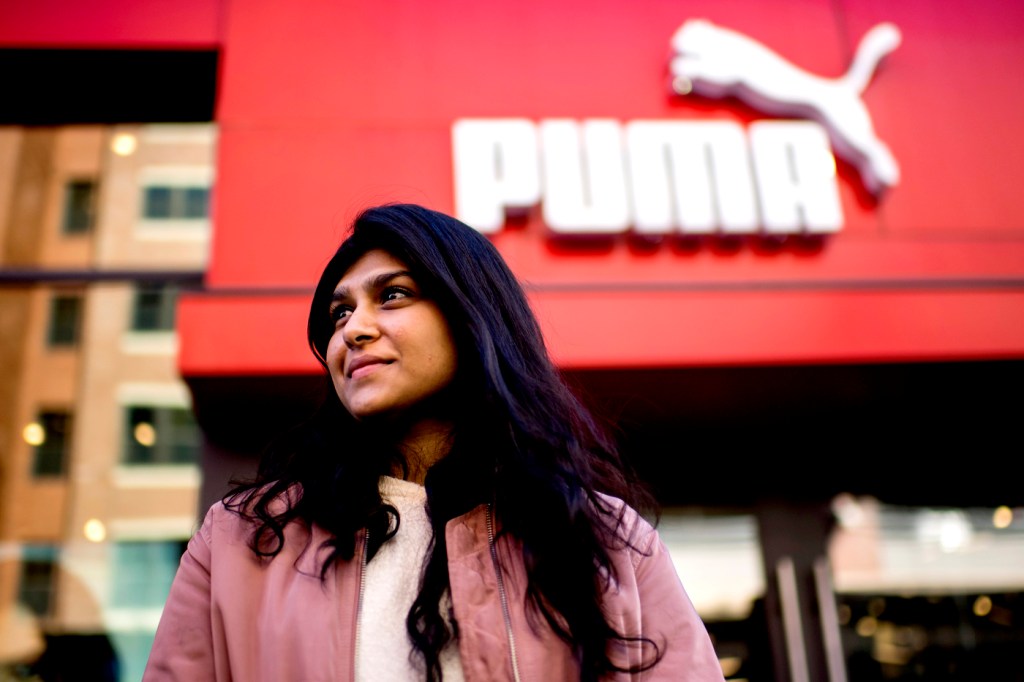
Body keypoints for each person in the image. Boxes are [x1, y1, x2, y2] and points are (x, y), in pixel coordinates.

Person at [144, 203, 724, 681]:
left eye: (392, 295)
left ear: (472, 318)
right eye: (339, 312)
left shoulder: (605, 539)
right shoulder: (238, 543)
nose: (353, 329)